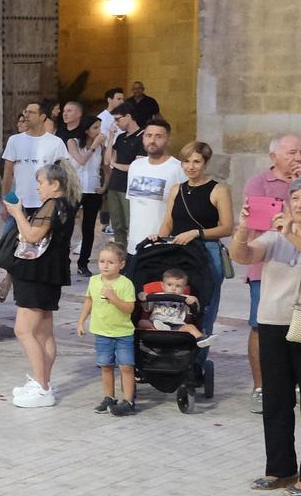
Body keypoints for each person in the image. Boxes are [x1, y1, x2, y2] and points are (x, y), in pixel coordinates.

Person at [234, 184, 301, 492]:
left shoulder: (284, 232)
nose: (299, 204)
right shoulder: (274, 235)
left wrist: (289, 232)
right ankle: (280, 469)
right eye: (296, 198)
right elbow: (244, 256)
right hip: (274, 321)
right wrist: (243, 229)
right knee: (276, 399)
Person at [1, 160, 79, 408]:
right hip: (51, 274)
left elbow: (32, 236)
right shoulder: (67, 204)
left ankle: (42, 386)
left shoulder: (52, 205)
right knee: (44, 331)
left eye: (41, 182)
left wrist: (16, 213)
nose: (38, 187)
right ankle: (42, 381)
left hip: (37, 274)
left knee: (24, 330)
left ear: (55, 184)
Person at [156, 139, 232, 382]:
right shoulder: (177, 189)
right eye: (186, 161)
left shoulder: (218, 190)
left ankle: (196, 365)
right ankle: (171, 356)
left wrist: (197, 233)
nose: (190, 166)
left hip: (206, 252)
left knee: (204, 308)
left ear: (206, 163)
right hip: (179, 252)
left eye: (196, 161)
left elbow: (227, 227)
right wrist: (159, 238)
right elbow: (168, 221)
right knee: (173, 302)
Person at [245, 135, 301, 414]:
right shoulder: (260, 182)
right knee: (260, 324)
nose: (297, 157)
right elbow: (255, 223)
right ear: (274, 156)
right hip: (268, 260)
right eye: (292, 152)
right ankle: (260, 385)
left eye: (300, 152)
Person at [0, 101, 67, 303]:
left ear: (43, 117)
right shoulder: (15, 141)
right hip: (20, 202)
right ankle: (10, 277)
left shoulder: (55, 143)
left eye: (32, 112)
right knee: (9, 246)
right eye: (25, 111)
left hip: (45, 204)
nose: (26, 115)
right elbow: (7, 173)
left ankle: (20, 282)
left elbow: (65, 173)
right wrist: (5, 201)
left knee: (37, 246)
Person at [77, 243, 138, 416]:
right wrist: (81, 321)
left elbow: (129, 308)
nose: (105, 265)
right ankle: (109, 397)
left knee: (126, 366)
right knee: (106, 366)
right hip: (102, 333)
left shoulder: (125, 284)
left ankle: (128, 400)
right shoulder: (94, 281)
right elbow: (89, 301)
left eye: (110, 262)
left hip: (123, 333)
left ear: (121, 264)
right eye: (102, 261)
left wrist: (113, 298)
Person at [125, 119, 186, 252]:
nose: (152, 140)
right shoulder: (135, 166)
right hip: (134, 245)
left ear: (168, 140)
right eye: (149, 135)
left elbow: (183, 210)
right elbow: (134, 205)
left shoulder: (178, 169)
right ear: (143, 138)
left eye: (158, 136)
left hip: (162, 245)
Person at [62, 100, 104, 276]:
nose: (98, 132)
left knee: (88, 228)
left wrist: (105, 186)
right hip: (75, 188)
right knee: (68, 226)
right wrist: (93, 147)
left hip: (93, 190)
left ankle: (83, 263)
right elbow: (80, 161)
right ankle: (64, 261)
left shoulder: (102, 146)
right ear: (87, 129)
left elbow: (106, 167)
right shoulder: (72, 142)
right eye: (95, 128)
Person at [102, 105, 143, 246]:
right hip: (115, 185)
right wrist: (111, 136)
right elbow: (107, 160)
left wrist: (116, 165)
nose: (116, 123)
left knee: (130, 223)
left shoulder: (142, 137)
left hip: (129, 187)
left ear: (129, 117)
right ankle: (121, 256)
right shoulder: (120, 137)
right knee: (117, 225)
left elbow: (137, 166)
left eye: (118, 119)